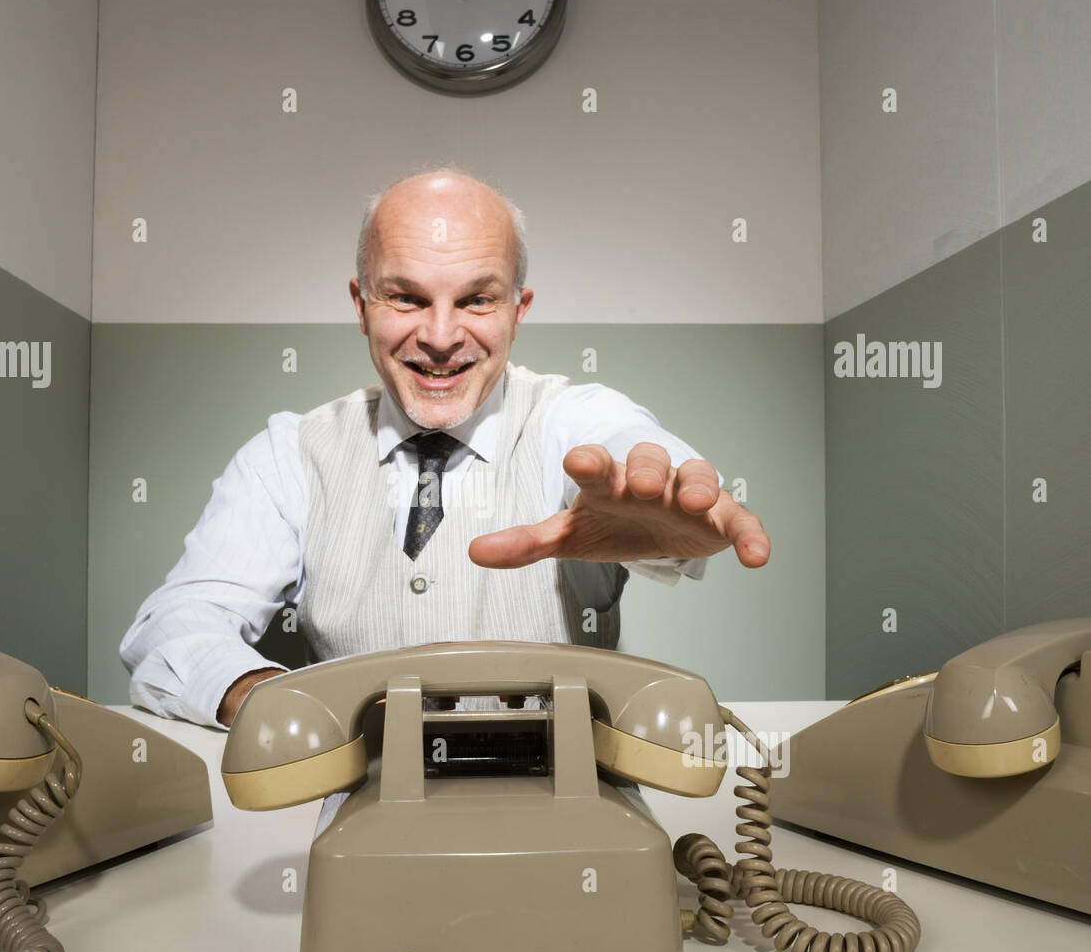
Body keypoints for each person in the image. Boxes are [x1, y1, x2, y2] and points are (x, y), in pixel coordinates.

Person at [120, 168, 769, 729]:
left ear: (518, 310)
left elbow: (628, 443)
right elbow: (175, 628)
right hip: (355, 813)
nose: (438, 335)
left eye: (477, 299)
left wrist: (662, 490)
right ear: (361, 303)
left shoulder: (569, 419)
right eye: (405, 296)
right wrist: (278, 704)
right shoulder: (288, 454)